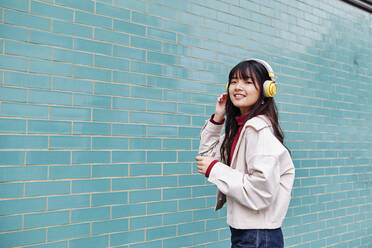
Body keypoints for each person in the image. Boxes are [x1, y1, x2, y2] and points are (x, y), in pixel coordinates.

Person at [195, 59, 295, 248]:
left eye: (247, 82)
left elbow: (260, 192)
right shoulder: (240, 129)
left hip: (258, 235)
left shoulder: (258, 131)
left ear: (267, 89)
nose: (238, 87)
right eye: (234, 81)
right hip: (247, 233)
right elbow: (206, 157)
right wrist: (218, 118)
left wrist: (215, 169)